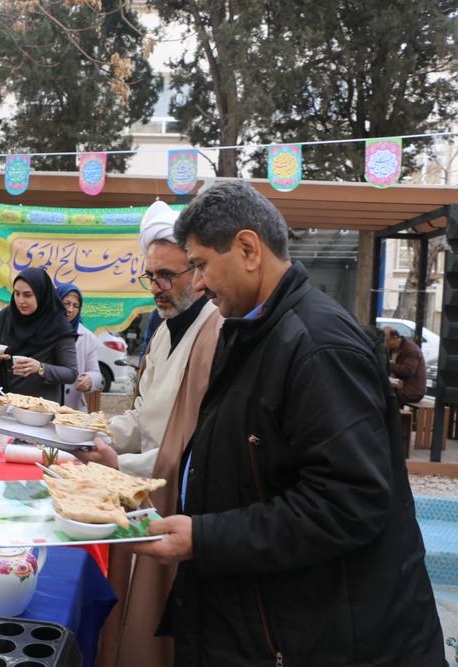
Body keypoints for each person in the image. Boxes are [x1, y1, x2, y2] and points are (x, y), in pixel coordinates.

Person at [129, 181, 443, 665]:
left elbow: (348, 502)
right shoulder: (256, 331)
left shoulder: (318, 346)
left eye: (200, 265)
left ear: (249, 249)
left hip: (318, 636)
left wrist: (208, 537)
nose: (197, 284)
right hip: (264, 616)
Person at [75, 200, 222, 667]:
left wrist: (120, 466)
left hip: (175, 500)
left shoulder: (212, 332)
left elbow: (194, 443)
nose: (157, 287)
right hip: (140, 489)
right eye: (151, 276)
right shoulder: (163, 330)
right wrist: (87, 429)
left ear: (196, 274)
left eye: (168, 275)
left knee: (157, 623)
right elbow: (141, 418)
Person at [0, 267, 77, 403]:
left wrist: (41, 368)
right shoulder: (8, 315)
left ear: (41, 294)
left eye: (27, 295)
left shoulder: (58, 327)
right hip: (3, 402)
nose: (20, 301)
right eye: (17, 294)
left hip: (39, 409)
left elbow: (71, 373)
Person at [56, 282, 102, 412]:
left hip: (73, 409)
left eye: (75, 306)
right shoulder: (43, 331)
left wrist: (90, 379)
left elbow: (96, 372)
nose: (70, 310)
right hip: (44, 406)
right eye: (66, 303)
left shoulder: (87, 337)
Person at [384, 325, 427, 403]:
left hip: (412, 390)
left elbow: (408, 370)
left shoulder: (411, 350)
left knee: (384, 394)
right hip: (399, 387)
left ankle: (393, 415)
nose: (385, 344)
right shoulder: (392, 350)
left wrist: (388, 365)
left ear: (395, 338)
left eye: (387, 340)